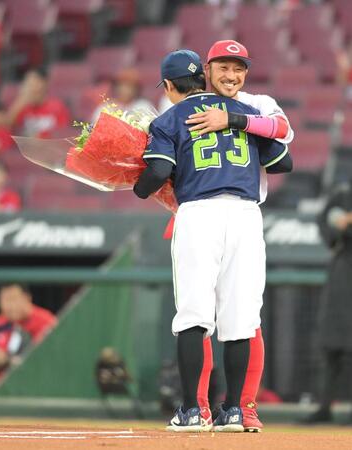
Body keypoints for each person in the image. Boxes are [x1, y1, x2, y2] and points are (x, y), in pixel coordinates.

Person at [133, 49, 292, 432]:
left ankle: (191, 410)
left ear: (170, 86)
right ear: (204, 76)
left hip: (199, 214)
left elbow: (157, 171)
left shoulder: (170, 117)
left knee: (193, 315)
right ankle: (235, 410)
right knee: (240, 318)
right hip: (245, 216)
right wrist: (241, 129)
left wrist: (136, 187)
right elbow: (284, 162)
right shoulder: (245, 112)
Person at [303, 181, 352, 423]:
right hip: (342, 273)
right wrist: (340, 226)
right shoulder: (344, 193)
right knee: (331, 343)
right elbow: (327, 225)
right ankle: (324, 407)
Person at [0, 283, 57, 379]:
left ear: (27, 298)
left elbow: (46, 360)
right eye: (5, 300)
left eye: (13, 299)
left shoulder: (46, 321)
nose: (10, 306)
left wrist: (7, 360)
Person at [6, 67, 71, 138]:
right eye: (27, 83)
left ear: (44, 83)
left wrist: (41, 136)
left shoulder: (58, 106)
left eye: (34, 82)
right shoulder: (22, 107)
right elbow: (7, 125)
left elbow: (63, 133)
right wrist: (21, 101)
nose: (30, 87)